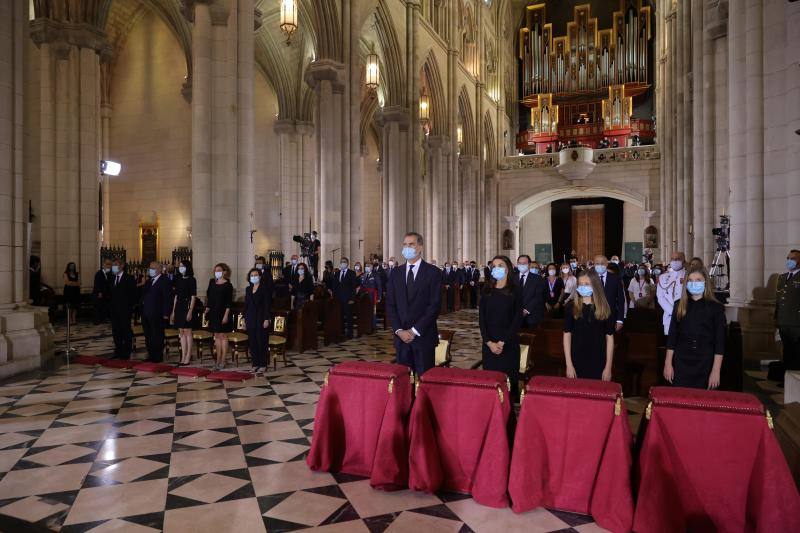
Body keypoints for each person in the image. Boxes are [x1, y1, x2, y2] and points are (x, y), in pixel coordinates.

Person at [386, 232, 442, 375]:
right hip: (401, 339)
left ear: (420, 247)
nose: (407, 247)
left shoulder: (433, 272)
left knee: (424, 381)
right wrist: (399, 330)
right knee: (404, 382)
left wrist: (414, 331)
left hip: (423, 337)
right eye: (405, 244)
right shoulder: (396, 273)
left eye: (411, 244)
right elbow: (391, 305)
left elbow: (434, 306)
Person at [664, 268, 726, 389]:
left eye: (698, 280)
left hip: (705, 361)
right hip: (682, 360)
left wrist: (716, 371)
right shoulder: (679, 305)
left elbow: (720, 342)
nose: (694, 283)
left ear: (705, 283)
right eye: (690, 280)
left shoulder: (716, 308)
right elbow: (672, 337)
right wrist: (668, 364)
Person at [479, 255, 523, 399]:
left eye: (500, 265)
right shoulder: (487, 290)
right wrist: (489, 342)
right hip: (489, 345)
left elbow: (517, 319)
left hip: (508, 344)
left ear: (508, 269)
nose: (497, 268)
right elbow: (481, 319)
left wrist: (502, 341)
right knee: (491, 386)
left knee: (508, 386)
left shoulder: (516, 290)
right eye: (494, 266)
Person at [563, 271, 615, 380]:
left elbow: (609, 338)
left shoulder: (604, 308)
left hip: (598, 358)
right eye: (580, 284)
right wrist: (569, 364)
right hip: (576, 357)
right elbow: (567, 335)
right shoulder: (571, 307)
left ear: (595, 285)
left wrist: (608, 366)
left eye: (586, 284)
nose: (583, 287)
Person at [141, 261, 172, 363]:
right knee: (148, 335)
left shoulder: (165, 280)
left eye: (153, 268)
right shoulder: (149, 281)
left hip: (158, 314)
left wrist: (166, 314)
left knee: (157, 335)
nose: (151, 270)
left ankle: (157, 356)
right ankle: (151, 355)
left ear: (159, 269)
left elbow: (167, 298)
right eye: (150, 268)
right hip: (146, 313)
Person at [775, 249, 800, 373]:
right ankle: (786, 377)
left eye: (793, 259)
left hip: (796, 322)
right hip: (783, 321)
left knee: (796, 352)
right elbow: (778, 300)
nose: (789, 261)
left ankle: (794, 378)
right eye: (788, 258)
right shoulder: (782, 277)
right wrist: (777, 318)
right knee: (787, 350)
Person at [206, 263, 233, 370]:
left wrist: (226, 316)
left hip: (223, 313)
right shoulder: (212, 282)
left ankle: (223, 359)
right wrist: (207, 309)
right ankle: (217, 359)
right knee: (216, 336)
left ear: (224, 272)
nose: (216, 272)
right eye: (215, 270)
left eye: (219, 270)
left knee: (223, 336)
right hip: (213, 313)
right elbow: (210, 298)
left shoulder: (228, 285)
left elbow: (228, 302)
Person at [245, 267, 272, 373]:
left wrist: (266, 319)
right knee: (253, 342)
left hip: (261, 318)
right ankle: (255, 363)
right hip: (250, 317)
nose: (254, 277)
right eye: (252, 276)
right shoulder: (248, 289)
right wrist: (244, 318)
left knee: (262, 342)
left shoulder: (264, 288)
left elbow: (267, 305)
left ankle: (263, 364)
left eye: (255, 275)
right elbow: (246, 305)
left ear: (260, 277)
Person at [171, 260, 197, 365]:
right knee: (181, 332)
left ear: (187, 267)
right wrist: (173, 311)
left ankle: (188, 356)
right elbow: (176, 296)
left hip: (187, 306)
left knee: (187, 332)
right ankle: (183, 356)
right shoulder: (178, 279)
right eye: (180, 266)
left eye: (182, 266)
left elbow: (193, 296)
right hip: (178, 307)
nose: (180, 267)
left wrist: (190, 311)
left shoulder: (192, 279)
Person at [109, 260, 137, 359]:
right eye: (113, 265)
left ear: (122, 266)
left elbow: (133, 295)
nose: (113, 267)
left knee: (126, 331)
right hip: (114, 311)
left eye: (115, 265)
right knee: (116, 332)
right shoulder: (112, 278)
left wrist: (129, 308)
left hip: (125, 311)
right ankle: (118, 351)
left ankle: (126, 352)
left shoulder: (129, 278)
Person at [657, 251, 687, 335]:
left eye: (677, 259)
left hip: (685, 316)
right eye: (672, 259)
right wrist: (673, 311)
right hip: (669, 317)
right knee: (670, 344)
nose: (674, 261)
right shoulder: (663, 277)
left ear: (683, 260)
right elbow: (660, 297)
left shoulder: (689, 276)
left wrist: (681, 312)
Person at [593, 255, 626, 331]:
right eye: (597, 263)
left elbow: (621, 300)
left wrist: (620, 319)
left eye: (602, 263)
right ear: (594, 264)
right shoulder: (589, 278)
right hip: (593, 316)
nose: (599, 265)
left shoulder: (616, 278)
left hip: (611, 317)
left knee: (609, 339)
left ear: (607, 264)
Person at [515, 255, 546, 329]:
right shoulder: (512, 278)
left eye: (524, 263)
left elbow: (538, 296)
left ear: (529, 264)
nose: (522, 265)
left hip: (532, 316)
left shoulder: (537, 278)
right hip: (515, 316)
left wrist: (525, 311)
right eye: (520, 263)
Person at [330, 257, 357, 338]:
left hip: (348, 299)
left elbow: (353, 287)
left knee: (349, 317)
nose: (342, 263)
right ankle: (341, 332)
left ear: (347, 263)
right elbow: (334, 286)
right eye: (341, 262)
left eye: (344, 262)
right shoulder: (337, 273)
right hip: (338, 299)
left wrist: (352, 299)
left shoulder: (351, 273)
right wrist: (334, 298)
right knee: (339, 316)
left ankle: (350, 333)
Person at [92, 259, 113, 324]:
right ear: (103, 265)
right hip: (99, 293)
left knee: (105, 307)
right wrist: (99, 292)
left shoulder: (110, 274)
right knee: (98, 307)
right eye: (107, 264)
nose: (108, 266)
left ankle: (104, 319)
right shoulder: (99, 273)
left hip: (106, 294)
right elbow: (97, 284)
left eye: (110, 264)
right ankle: (97, 320)